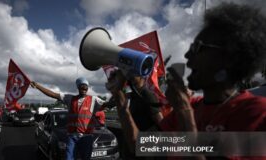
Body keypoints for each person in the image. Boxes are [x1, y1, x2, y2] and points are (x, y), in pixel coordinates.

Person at [161, 2, 266, 159]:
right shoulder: (193, 105)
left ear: (230, 58)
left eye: (197, 47)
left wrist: (184, 114)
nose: (187, 56)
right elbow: (143, 145)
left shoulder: (257, 113)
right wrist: (121, 101)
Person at [31, 77, 112, 160]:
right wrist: (38, 86)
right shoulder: (70, 99)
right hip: (72, 137)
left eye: (85, 87)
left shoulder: (94, 100)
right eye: (82, 86)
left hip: (86, 136)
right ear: (78, 87)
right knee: (68, 158)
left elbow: (108, 104)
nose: (84, 88)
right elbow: (53, 94)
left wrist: (121, 95)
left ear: (87, 88)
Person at [106, 72, 165, 160]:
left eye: (135, 73)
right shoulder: (135, 95)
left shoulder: (147, 95)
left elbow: (161, 124)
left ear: (143, 76)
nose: (130, 76)